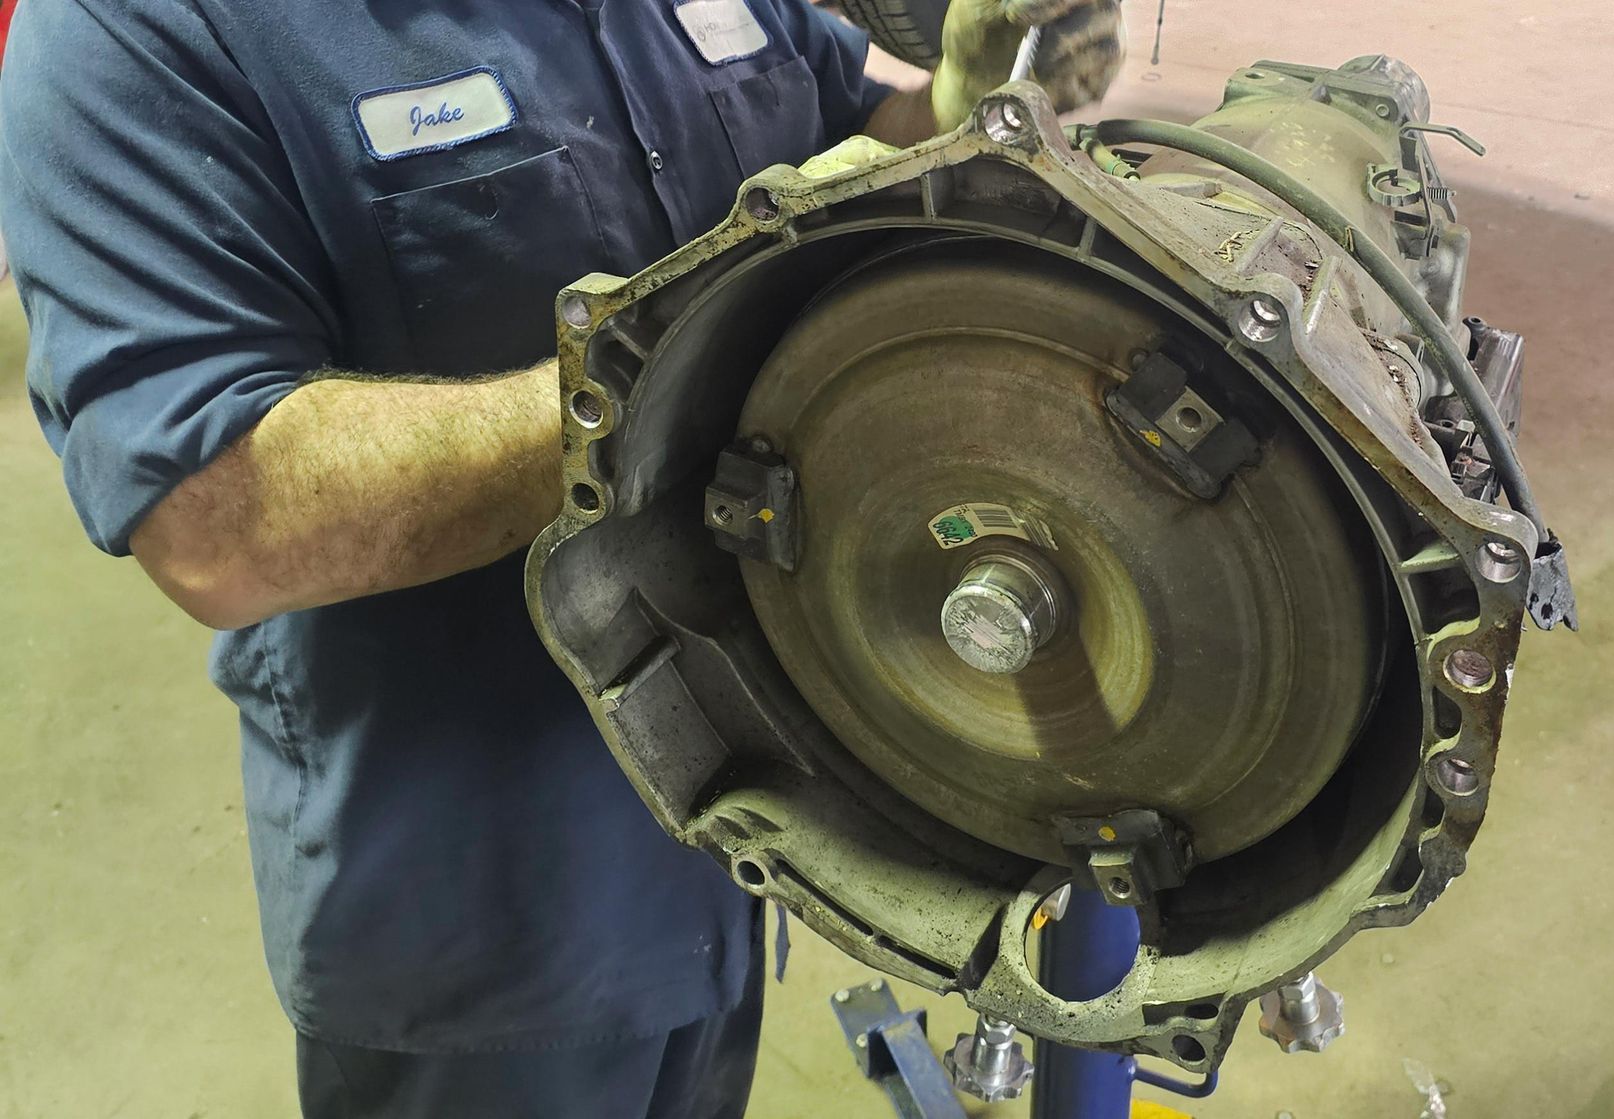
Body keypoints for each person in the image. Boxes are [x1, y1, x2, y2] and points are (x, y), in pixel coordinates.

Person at [0, 0, 1121, 1114]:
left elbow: (847, 131)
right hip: (492, 917)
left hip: (751, 824)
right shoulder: (139, 31)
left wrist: (960, 102)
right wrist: (699, 376)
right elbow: (219, 521)